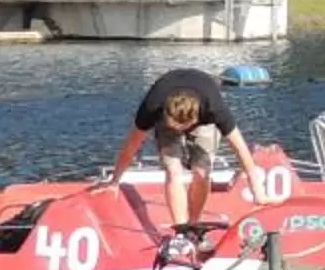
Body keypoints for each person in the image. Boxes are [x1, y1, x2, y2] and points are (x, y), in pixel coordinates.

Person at [110, 66, 263, 245]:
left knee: (202, 172)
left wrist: (258, 192)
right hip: (165, 110)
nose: (180, 131)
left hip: (203, 117)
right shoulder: (153, 106)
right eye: (176, 127)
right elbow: (131, 145)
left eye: (182, 128)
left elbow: (240, 149)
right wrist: (114, 180)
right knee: (173, 171)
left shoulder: (213, 108)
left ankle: (194, 225)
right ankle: (181, 232)